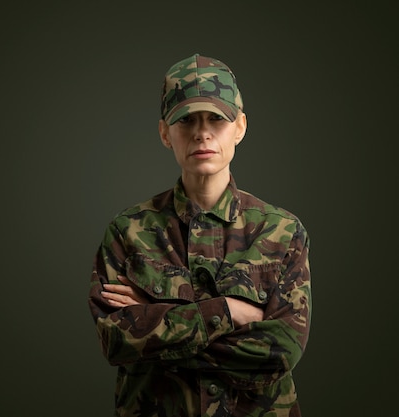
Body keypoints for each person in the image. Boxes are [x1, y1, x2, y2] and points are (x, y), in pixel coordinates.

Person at [87, 53, 312, 417]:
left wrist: (156, 320)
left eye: (216, 119)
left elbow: (281, 351)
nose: (202, 132)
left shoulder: (282, 231)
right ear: (165, 133)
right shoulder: (128, 231)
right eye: (186, 120)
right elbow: (116, 340)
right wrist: (228, 311)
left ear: (239, 127)